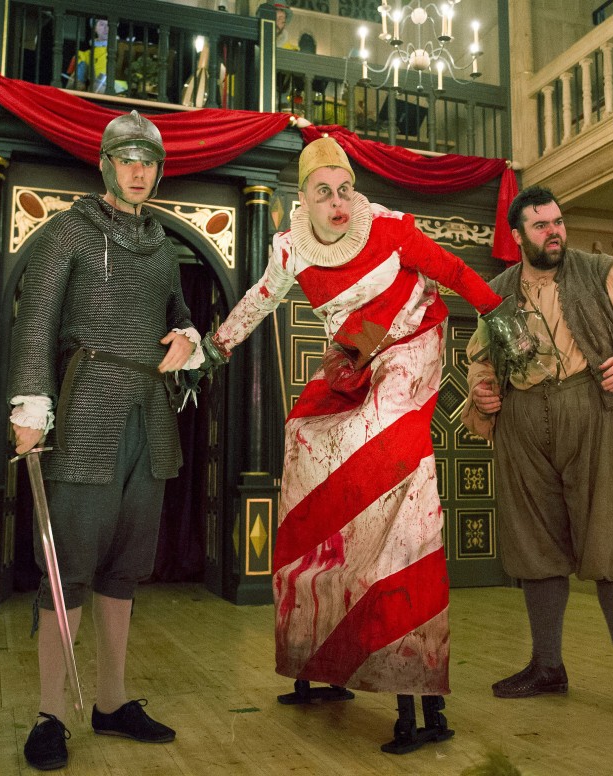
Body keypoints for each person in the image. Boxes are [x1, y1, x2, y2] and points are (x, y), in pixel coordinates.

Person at [205, 136, 502, 753]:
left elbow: (450, 270)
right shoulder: (290, 249)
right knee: (306, 444)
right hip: (359, 347)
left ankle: (411, 675)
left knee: (389, 464)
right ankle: (322, 653)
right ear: (304, 199)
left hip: (414, 337)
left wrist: (497, 313)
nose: (338, 202)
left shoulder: (388, 228)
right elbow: (260, 300)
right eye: (324, 192)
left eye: (345, 189)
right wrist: (214, 346)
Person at [7, 110, 203, 771]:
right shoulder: (67, 233)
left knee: (123, 570)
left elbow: (177, 317)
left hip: (149, 416)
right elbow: (35, 326)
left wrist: (188, 338)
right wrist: (32, 406)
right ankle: (50, 714)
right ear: (105, 164)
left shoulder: (163, 247)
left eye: (149, 160)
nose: (139, 169)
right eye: (127, 158)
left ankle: (113, 703)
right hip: (87, 406)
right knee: (66, 573)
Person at [460, 185, 613, 719]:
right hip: (524, 419)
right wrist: (482, 392)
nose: (554, 231)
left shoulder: (603, 271)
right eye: (540, 225)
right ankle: (547, 667)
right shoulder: (497, 292)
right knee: (535, 546)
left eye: (557, 221)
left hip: (597, 410)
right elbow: (482, 365)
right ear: (516, 236)